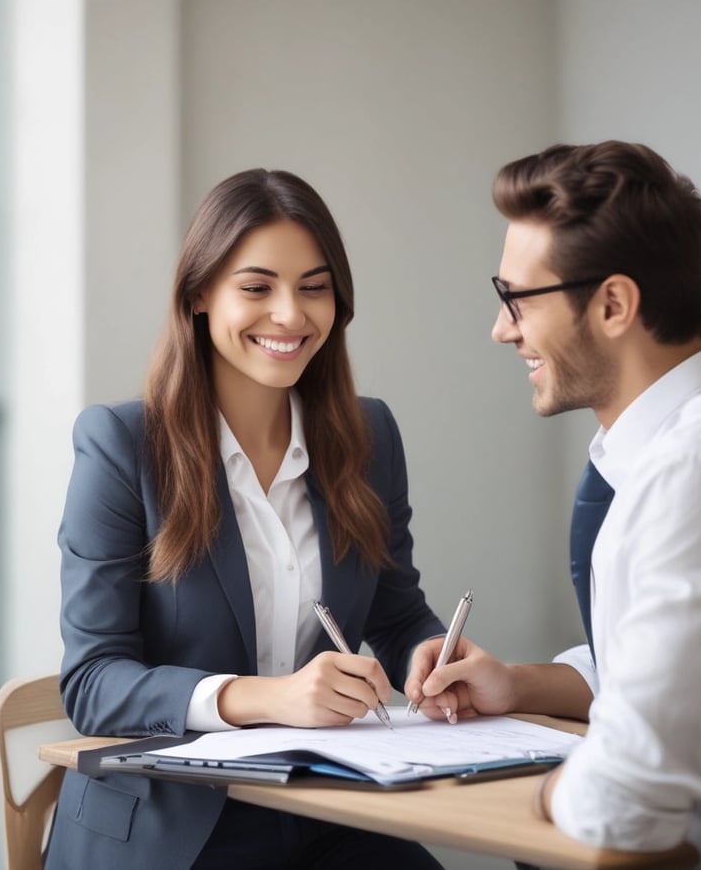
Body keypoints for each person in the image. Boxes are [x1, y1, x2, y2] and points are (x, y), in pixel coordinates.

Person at [43, 168, 449, 869]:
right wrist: (266, 698)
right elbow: (93, 681)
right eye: (257, 287)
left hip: (325, 808)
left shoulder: (370, 436)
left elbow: (396, 611)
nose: (290, 314)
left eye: (314, 287)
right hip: (167, 825)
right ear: (200, 294)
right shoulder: (120, 446)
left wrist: (431, 653)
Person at [407, 141, 701, 863]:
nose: (501, 328)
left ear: (612, 303)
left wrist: (547, 789)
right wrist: (517, 684)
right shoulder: (657, 453)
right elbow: (672, 669)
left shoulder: (689, 467)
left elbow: (624, 798)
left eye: (516, 299)